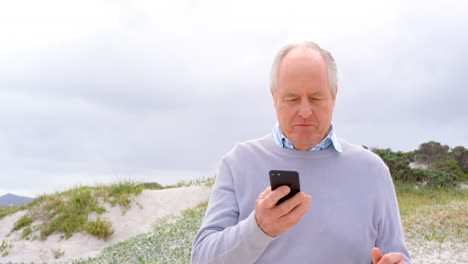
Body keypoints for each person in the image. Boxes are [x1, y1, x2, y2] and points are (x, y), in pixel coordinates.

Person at [191, 41, 412, 264]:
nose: (305, 112)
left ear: (334, 96)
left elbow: (399, 257)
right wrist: (259, 228)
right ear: (274, 97)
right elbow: (201, 259)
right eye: (292, 99)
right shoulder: (238, 163)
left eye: (316, 98)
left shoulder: (372, 170)